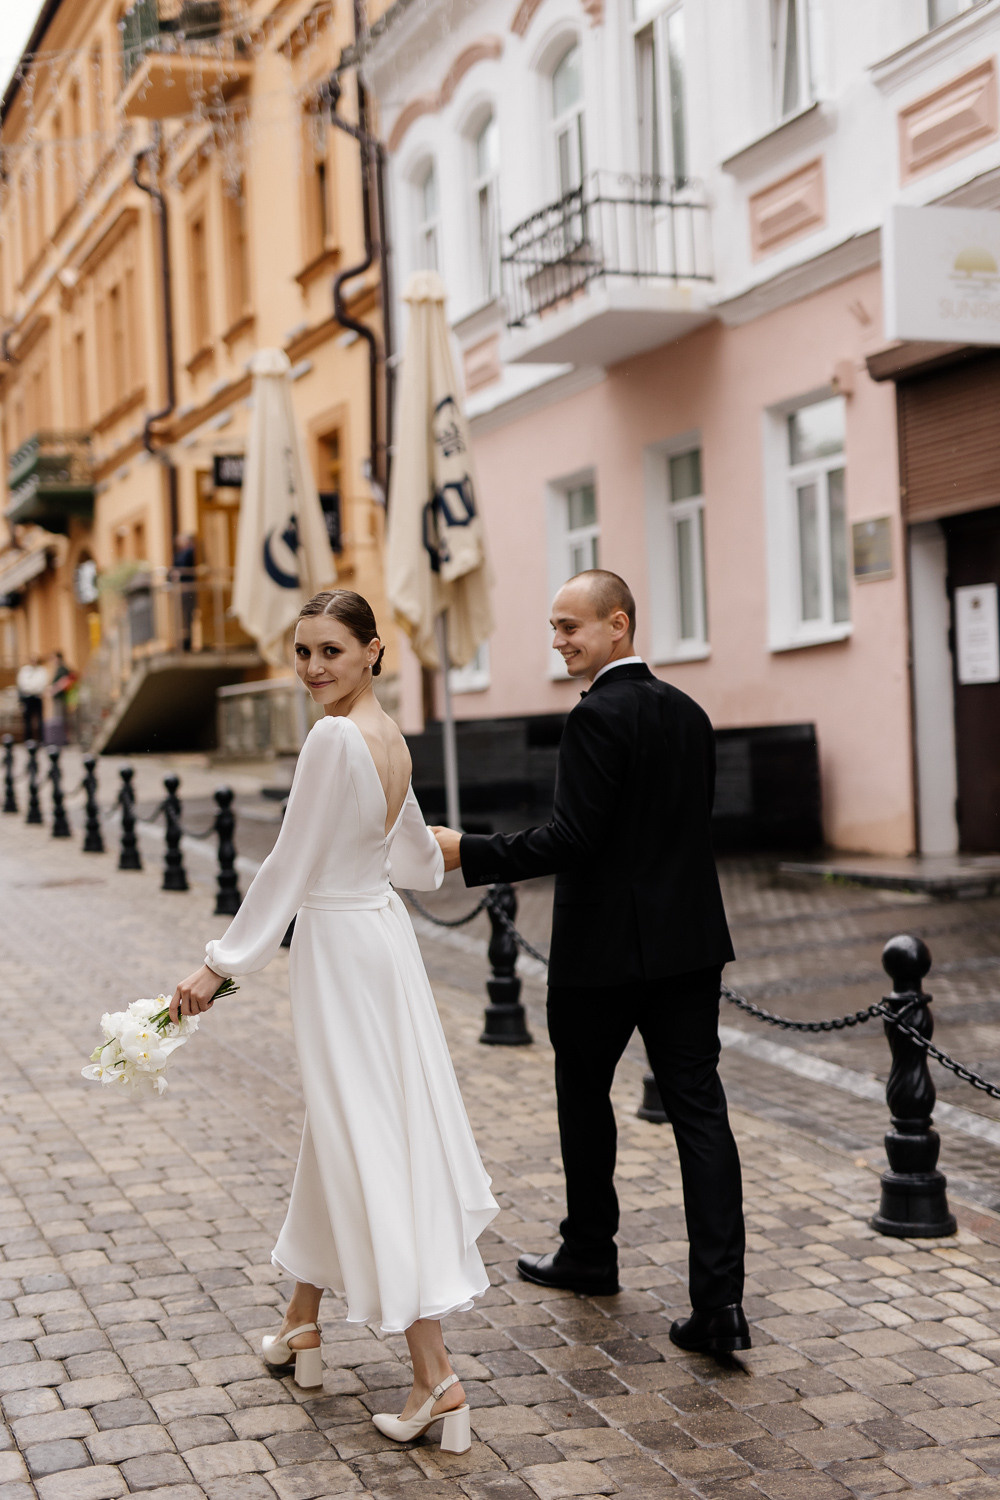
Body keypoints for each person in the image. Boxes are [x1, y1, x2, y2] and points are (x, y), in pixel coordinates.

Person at [169, 589, 497, 1453]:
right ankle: (301, 1325)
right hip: (381, 942)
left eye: (331, 652)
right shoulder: (392, 738)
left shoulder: (331, 738)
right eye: (303, 652)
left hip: (343, 950)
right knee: (344, 1127)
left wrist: (219, 963)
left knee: (367, 1142)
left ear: (373, 652)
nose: (314, 668)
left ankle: (437, 1377)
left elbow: (288, 864)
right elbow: (421, 866)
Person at [432, 570, 748, 1357]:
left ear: (619, 625)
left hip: (603, 953)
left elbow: (573, 839)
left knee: (584, 1098)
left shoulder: (596, 718)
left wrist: (466, 851)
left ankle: (590, 1253)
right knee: (701, 1115)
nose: (558, 640)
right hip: (688, 946)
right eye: (553, 627)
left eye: (571, 627)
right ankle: (720, 1306)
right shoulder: (690, 713)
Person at [170, 533, 197, 651]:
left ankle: (188, 642)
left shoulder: (189, 552)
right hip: (182, 588)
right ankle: (184, 641)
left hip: (187, 587)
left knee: (187, 615)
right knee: (183, 616)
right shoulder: (182, 553)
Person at [43, 650, 76, 746]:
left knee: (61, 718)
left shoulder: (62, 669)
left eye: (53, 658)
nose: (52, 661)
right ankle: (60, 738)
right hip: (58, 698)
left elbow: (64, 681)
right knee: (58, 718)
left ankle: (63, 739)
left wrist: (53, 690)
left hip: (61, 698)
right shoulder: (58, 668)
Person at [16, 656, 47, 743]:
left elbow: (42, 683)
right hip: (27, 697)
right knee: (28, 720)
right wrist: (30, 689)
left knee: (39, 718)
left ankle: (41, 739)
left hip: (37, 697)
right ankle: (28, 739)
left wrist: (35, 689)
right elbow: (22, 684)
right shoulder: (25, 671)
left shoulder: (41, 671)